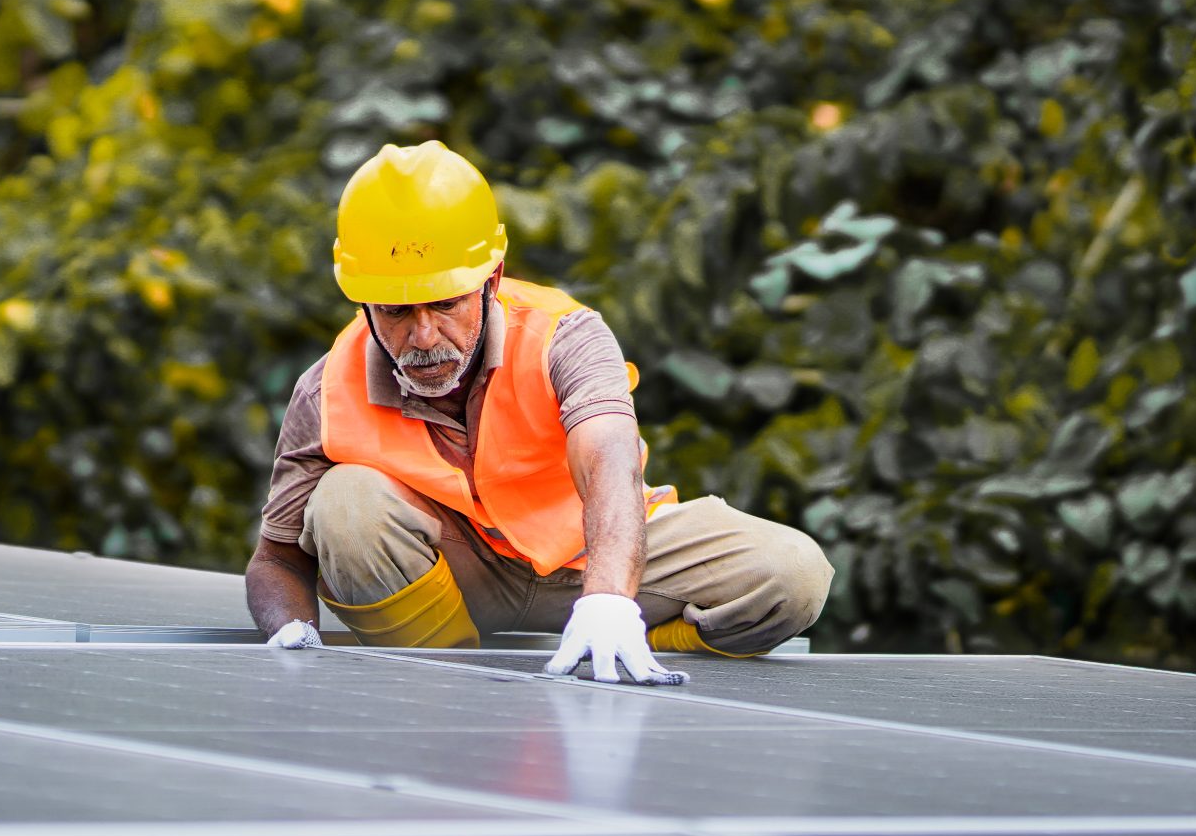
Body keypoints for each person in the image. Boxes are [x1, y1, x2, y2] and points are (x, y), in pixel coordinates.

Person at [245, 141, 833, 683]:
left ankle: (633, 638)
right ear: (364, 300)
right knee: (346, 501)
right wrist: (290, 633)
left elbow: (610, 460)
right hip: (458, 575)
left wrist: (607, 599)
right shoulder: (325, 391)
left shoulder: (565, 336)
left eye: (445, 303)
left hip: (595, 555)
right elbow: (275, 560)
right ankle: (451, 674)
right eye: (397, 311)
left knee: (794, 575)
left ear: (491, 278)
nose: (423, 334)